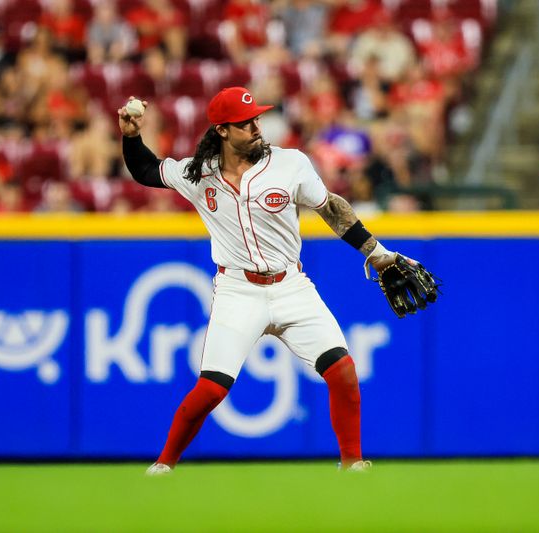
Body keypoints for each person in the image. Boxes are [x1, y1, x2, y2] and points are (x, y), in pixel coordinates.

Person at [119, 87, 415, 474]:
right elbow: (146, 170)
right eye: (246, 122)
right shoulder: (199, 172)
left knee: (342, 370)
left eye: (257, 118)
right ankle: (163, 466)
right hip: (238, 290)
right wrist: (131, 136)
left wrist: (375, 252)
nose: (256, 126)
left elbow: (330, 207)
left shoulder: (289, 163)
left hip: (291, 285)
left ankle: (352, 463)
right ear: (223, 130)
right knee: (210, 390)